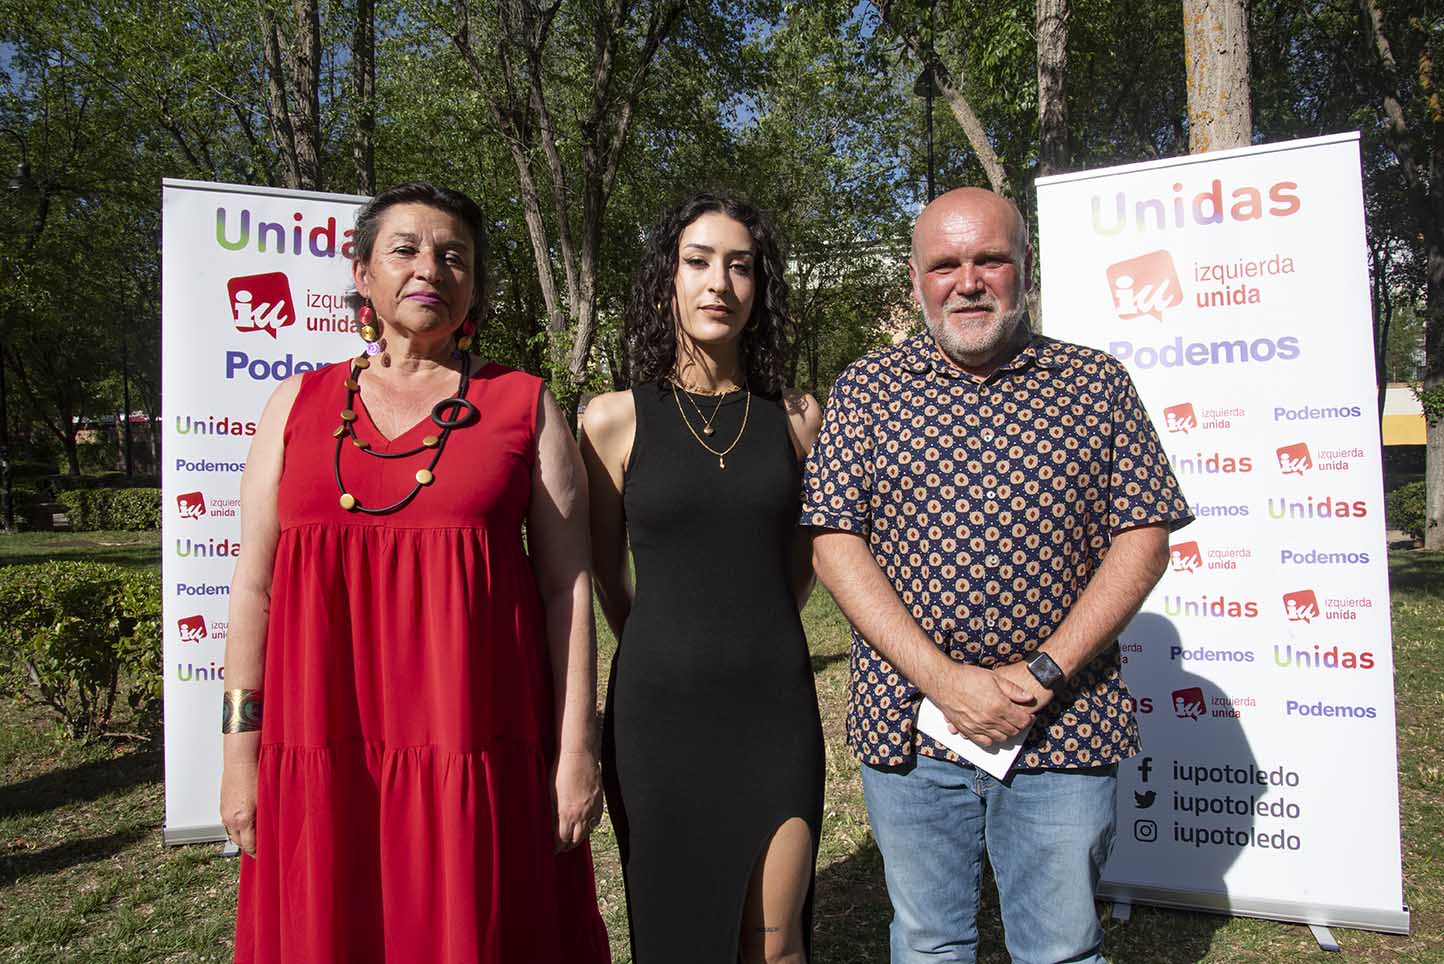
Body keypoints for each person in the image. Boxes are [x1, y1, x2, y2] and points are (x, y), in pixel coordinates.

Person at [220, 182, 610, 964]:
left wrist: (576, 753)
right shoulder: (294, 405)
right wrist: (238, 757)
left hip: (474, 749)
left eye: (453, 255)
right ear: (362, 272)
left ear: (474, 285)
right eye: (404, 249)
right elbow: (254, 589)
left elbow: (567, 591)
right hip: (324, 753)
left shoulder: (522, 406)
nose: (429, 267)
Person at [803, 186, 1193, 964]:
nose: (968, 280)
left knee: (1060, 948)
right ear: (916, 280)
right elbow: (834, 543)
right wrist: (945, 680)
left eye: (989, 259)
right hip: (910, 723)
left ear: (1025, 267)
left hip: (1063, 723)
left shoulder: (1094, 385)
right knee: (928, 942)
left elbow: (1144, 536)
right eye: (945, 264)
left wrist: (1043, 672)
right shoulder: (867, 390)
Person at [580, 193, 824, 964]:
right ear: (667, 282)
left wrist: (747, 634)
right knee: (676, 938)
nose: (719, 283)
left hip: (773, 707)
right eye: (698, 262)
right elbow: (603, 573)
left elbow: (802, 566)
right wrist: (662, 643)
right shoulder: (612, 420)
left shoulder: (798, 419)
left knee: (776, 948)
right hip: (658, 718)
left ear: (760, 289)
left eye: (740, 266)